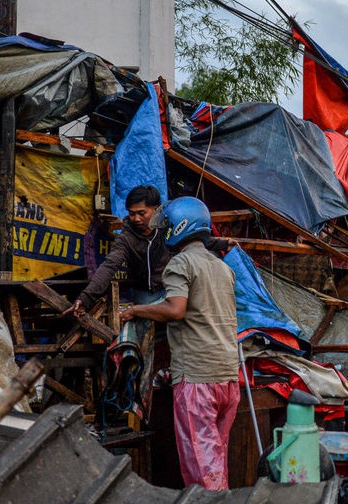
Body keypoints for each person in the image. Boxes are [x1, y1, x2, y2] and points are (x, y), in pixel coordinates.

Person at [119, 196, 239, 489]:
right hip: (228, 375)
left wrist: (136, 311)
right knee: (217, 459)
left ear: (179, 228)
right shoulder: (222, 267)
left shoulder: (180, 263)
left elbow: (175, 309)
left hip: (197, 378)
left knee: (202, 469)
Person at [65, 185, 169, 315]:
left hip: (173, 289)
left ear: (156, 209)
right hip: (144, 294)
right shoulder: (126, 239)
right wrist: (85, 299)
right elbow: (109, 266)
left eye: (142, 213)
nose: (136, 219)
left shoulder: (169, 228)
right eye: (132, 214)